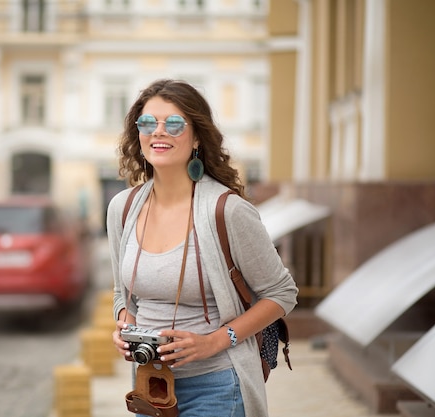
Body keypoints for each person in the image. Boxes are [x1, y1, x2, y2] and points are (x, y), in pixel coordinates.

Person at [106, 79, 298, 417]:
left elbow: (282, 293)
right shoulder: (122, 208)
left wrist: (214, 341)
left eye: (174, 124)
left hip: (219, 384)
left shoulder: (227, 210)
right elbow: (123, 294)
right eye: (148, 123)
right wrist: (125, 323)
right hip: (149, 384)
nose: (159, 132)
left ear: (196, 137)